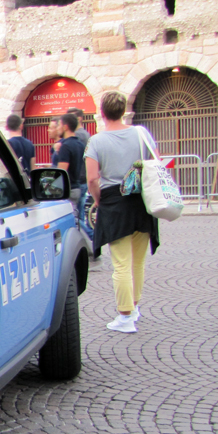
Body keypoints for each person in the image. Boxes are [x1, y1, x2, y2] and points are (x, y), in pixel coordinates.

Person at [84, 91, 160, 333]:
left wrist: (98, 201)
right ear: (124, 110)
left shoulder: (96, 141)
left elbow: (92, 179)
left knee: (121, 264)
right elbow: (156, 162)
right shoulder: (141, 133)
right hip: (141, 201)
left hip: (115, 203)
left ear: (102, 113)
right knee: (138, 261)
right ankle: (134, 308)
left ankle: (125, 316)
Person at [5, 114, 35, 179]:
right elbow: (33, 168)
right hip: (26, 181)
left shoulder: (7, 145)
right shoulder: (29, 144)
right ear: (21, 126)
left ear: (6, 127)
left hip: (14, 181)